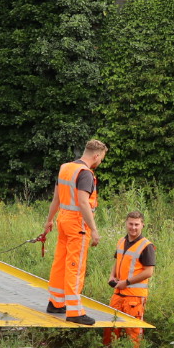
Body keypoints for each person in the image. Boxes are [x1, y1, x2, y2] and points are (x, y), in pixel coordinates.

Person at [38, 139, 106, 325]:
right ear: (96, 155)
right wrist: (94, 229)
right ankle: (75, 312)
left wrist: (49, 220)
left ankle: (56, 302)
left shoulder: (66, 168)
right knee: (75, 266)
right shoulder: (85, 174)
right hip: (78, 225)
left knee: (60, 262)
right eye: (101, 158)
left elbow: (56, 199)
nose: (100, 162)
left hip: (63, 220)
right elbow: (84, 203)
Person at [103, 210, 156, 348]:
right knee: (110, 328)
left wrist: (126, 282)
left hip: (134, 297)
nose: (133, 227)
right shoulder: (121, 241)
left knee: (133, 333)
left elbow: (149, 272)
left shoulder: (146, 246)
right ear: (126, 223)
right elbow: (117, 260)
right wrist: (111, 276)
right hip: (118, 293)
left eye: (136, 225)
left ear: (142, 225)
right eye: (131, 224)